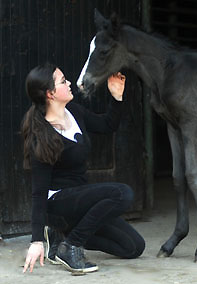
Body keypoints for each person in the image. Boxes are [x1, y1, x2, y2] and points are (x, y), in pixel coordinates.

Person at [21, 63, 145, 274]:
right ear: (50, 94)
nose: (69, 83)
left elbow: (107, 125)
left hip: (80, 202)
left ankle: (62, 238)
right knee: (122, 193)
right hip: (59, 203)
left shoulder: (74, 112)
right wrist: (36, 241)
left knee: (133, 247)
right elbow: (39, 193)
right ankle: (70, 247)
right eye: (63, 81)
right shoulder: (41, 137)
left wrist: (116, 96)